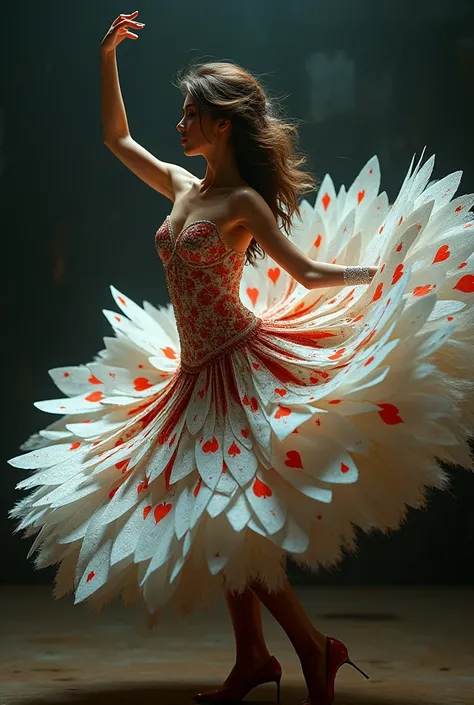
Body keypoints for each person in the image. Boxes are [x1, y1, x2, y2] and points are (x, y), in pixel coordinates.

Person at [8, 11, 474, 705]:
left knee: (233, 517)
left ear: (221, 124)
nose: (181, 125)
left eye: (191, 114)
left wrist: (369, 279)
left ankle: (313, 647)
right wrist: (106, 57)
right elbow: (116, 137)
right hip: (194, 373)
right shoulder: (181, 186)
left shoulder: (243, 202)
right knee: (217, 515)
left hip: (245, 365)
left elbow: (308, 272)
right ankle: (255, 655)